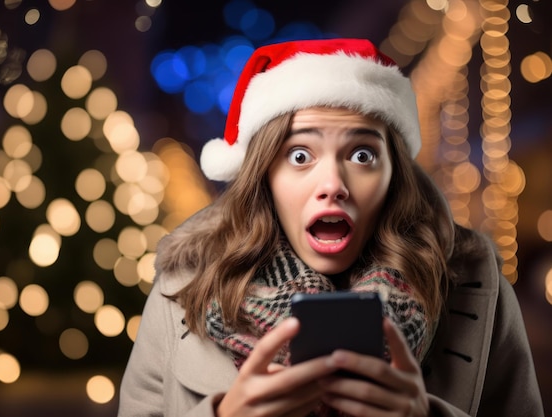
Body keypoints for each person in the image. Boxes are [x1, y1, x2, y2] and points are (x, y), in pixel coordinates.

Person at [117, 39, 544, 417]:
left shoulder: (475, 281)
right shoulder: (185, 283)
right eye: (300, 156)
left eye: (361, 155)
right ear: (264, 174)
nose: (333, 186)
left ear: (395, 174)